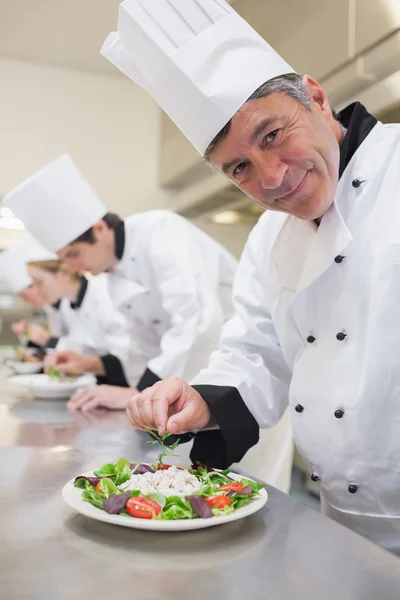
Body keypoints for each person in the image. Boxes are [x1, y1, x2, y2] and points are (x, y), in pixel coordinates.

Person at [102, 0, 400, 551]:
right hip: (340, 526)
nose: (273, 178)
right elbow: (257, 352)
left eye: (271, 135)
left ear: (314, 95)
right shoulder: (269, 236)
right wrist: (202, 400)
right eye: (239, 167)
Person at [5, 154, 294, 491]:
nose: (74, 267)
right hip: (188, 398)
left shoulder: (161, 231)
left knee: (253, 495)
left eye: (73, 255)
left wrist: (139, 392)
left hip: (248, 386)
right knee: (200, 494)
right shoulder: (113, 278)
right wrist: (132, 393)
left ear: (99, 229)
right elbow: (139, 347)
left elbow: (197, 322)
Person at [27, 259, 138, 399]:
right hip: (98, 387)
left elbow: (129, 354)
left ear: (62, 274)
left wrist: (83, 363)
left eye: (39, 282)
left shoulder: (103, 294)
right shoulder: (68, 305)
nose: (36, 290)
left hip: (128, 387)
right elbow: (83, 346)